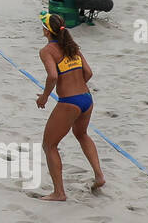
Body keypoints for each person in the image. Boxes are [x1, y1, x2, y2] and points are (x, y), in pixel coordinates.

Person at [35, 11, 105, 202]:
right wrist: (77, 85)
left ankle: (59, 193)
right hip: (86, 99)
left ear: (47, 31)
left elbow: (53, 77)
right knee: (82, 134)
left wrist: (44, 97)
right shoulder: (73, 47)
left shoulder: (47, 51)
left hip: (70, 102)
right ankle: (99, 175)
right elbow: (88, 73)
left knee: (49, 145)